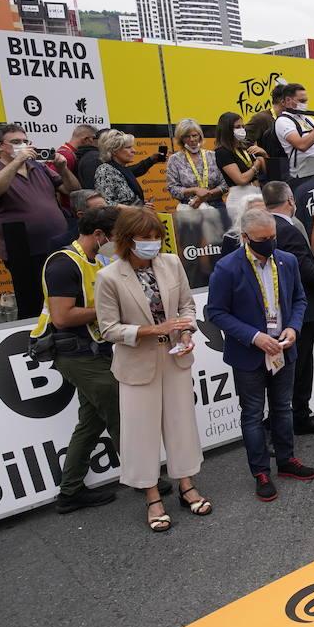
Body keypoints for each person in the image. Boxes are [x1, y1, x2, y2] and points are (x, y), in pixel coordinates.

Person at [95, 207, 210, 532]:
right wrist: (151, 331)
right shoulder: (109, 277)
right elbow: (108, 329)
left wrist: (185, 331)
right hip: (137, 363)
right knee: (141, 434)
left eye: (157, 238)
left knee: (181, 425)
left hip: (174, 357)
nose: (153, 244)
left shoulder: (171, 264)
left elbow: (187, 305)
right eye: (146, 239)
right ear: (128, 240)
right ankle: (152, 497)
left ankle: (187, 485)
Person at [206, 208, 314, 501]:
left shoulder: (287, 261)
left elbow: (299, 299)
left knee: (283, 408)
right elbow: (216, 312)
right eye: (262, 239)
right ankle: (260, 472)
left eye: (272, 237)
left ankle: (286, 461)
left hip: (284, 349)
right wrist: (255, 337)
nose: (269, 243)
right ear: (245, 238)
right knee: (253, 414)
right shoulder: (227, 268)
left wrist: (293, 328)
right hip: (249, 355)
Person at [33, 206, 122, 514]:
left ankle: (70, 492)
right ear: (99, 235)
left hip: (93, 349)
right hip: (73, 352)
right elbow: (61, 316)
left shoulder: (95, 261)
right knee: (119, 408)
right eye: (116, 236)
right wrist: (111, 310)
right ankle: (145, 478)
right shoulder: (62, 264)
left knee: (91, 421)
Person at [0, 123, 81, 318]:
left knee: (63, 293)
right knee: (33, 301)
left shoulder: (38, 167)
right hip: (22, 248)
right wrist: (17, 162)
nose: (23, 146)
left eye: (25, 141)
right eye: (16, 142)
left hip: (57, 243)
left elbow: (72, 190)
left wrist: (63, 169)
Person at [261, 180, 314, 434]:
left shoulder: (267, 229)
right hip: (302, 310)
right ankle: (291, 421)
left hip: (282, 310)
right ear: (291, 201)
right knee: (298, 368)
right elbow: (306, 267)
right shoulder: (288, 229)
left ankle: (295, 419)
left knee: (297, 368)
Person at [275, 82, 314, 187]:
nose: (305, 104)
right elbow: (302, 145)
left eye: (306, 101)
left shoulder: (308, 119)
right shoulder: (283, 121)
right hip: (302, 176)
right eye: (302, 101)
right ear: (288, 100)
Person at [213, 111, 268, 224]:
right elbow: (241, 179)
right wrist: (256, 166)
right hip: (239, 197)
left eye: (243, 126)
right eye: (237, 127)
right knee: (243, 234)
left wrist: (264, 154)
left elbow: (268, 171)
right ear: (227, 129)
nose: (242, 129)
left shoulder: (246, 146)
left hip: (257, 193)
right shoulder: (222, 152)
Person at [166, 118, 228, 217]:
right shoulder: (174, 159)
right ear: (181, 139)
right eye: (187, 136)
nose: (192, 140)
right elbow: (172, 188)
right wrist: (194, 190)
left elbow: (224, 184)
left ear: (200, 136)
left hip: (217, 207)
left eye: (194, 135)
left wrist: (206, 195)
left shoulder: (213, 156)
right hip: (189, 209)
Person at [92, 131, 146, 206]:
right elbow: (105, 203)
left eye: (132, 147)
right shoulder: (105, 170)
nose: (134, 151)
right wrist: (135, 208)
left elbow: (129, 200)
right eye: (128, 147)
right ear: (114, 151)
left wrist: (143, 204)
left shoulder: (123, 169)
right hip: (120, 217)